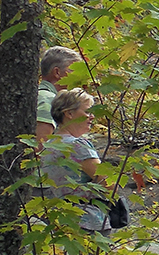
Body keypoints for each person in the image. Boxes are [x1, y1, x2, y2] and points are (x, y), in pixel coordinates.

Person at [44, 88, 111, 234]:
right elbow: (108, 184)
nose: (92, 117)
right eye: (87, 112)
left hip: (56, 219)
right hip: (88, 222)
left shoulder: (49, 145)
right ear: (69, 113)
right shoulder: (78, 145)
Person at [37, 46, 82, 141]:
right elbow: (40, 149)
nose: (79, 77)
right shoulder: (48, 100)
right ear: (57, 72)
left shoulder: (40, 95)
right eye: (74, 71)